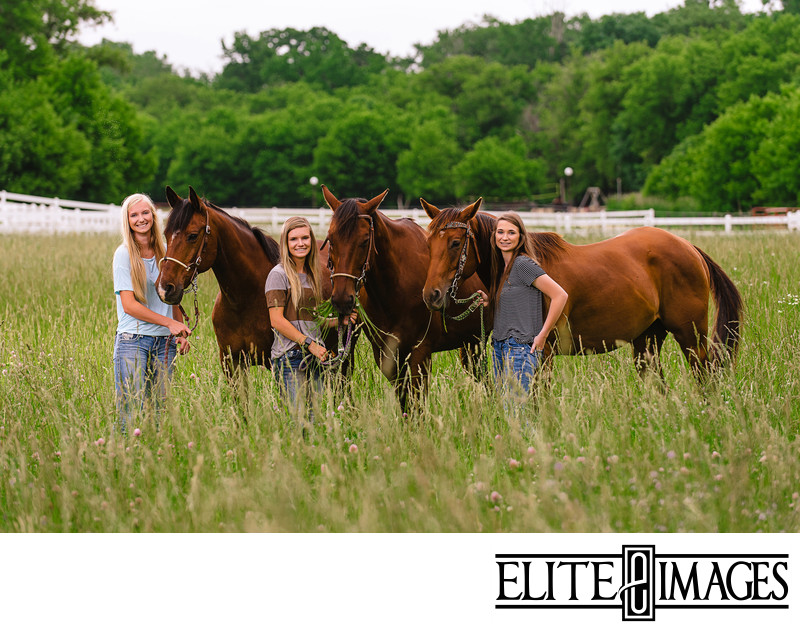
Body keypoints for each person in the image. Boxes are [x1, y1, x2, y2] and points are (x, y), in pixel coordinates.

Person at [112, 193, 191, 434]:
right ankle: (124, 460)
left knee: (160, 411)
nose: (140, 219)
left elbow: (172, 295)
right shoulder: (124, 254)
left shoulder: (166, 251)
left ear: (153, 216)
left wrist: (180, 331)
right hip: (132, 341)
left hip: (165, 344)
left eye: (145, 213)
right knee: (130, 408)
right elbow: (129, 305)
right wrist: (169, 323)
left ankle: (155, 458)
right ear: (128, 220)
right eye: (134, 215)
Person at [265, 216, 355, 418]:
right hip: (291, 358)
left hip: (314, 358)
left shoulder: (313, 276)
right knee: (299, 424)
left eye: (305, 238)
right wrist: (310, 344)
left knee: (313, 423)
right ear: (285, 244)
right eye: (293, 239)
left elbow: (312, 321)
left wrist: (340, 321)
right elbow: (276, 320)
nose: (300, 243)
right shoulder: (278, 274)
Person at [479, 212, 568, 396]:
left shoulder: (523, 264)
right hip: (499, 347)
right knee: (508, 410)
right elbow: (516, 298)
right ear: (494, 235)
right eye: (500, 232)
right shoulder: (501, 267)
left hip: (520, 348)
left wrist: (543, 334)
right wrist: (491, 299)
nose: (504, 237)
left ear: (520, 237)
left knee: (517, 412)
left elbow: (560, 295)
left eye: (511, 233)